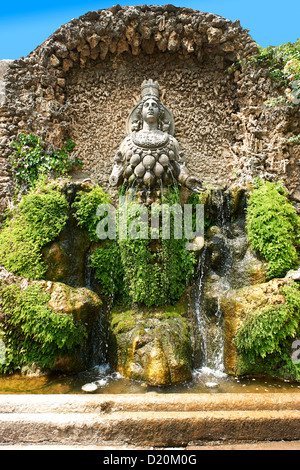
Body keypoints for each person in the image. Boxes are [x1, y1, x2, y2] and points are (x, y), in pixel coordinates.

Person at [109, 79, 206, 204]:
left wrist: (187, 179)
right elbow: (119, 169)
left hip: (164, 200)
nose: (150, 108)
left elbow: (178, 167)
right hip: (134, 200)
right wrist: (115, 175)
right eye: (146, 105)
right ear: (140, 111)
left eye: (154, 105)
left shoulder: (170, 141)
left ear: (160, 112)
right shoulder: (128, 142)